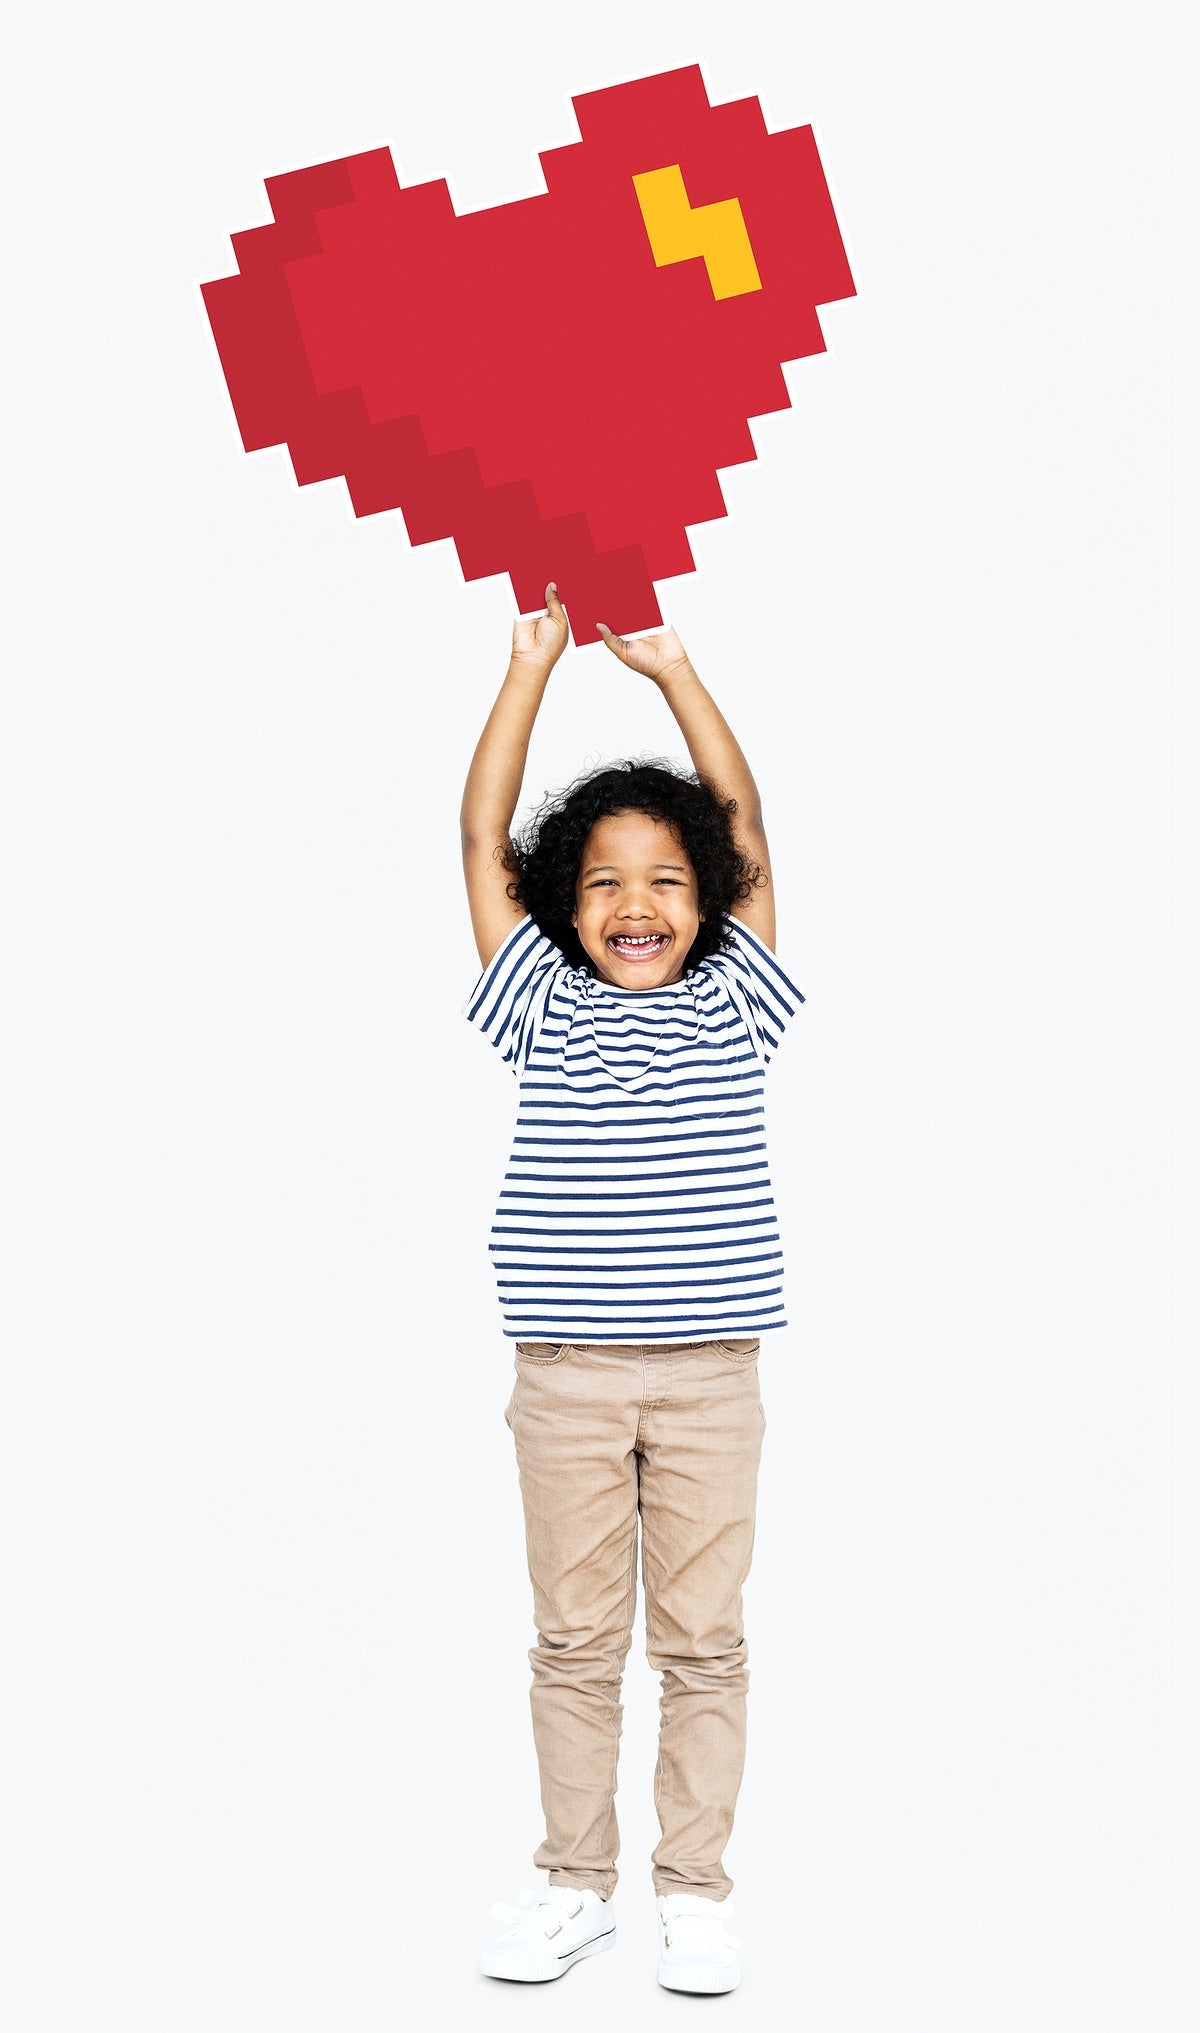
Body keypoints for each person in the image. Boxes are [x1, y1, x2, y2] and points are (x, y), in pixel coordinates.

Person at [460, 584, 804, 1993]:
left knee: (705, 1642)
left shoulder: (740, 997)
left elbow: (749, 820)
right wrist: (530, 669)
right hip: (566, 1380)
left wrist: (673, 670)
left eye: (666, 878)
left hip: (713, 1376)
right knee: (575, 1641)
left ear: (708, 898)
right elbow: (479, 839)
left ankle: (696, 1894)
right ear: (565, 905)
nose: (635, 903)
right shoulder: (539, 1002)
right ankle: (573, 1883)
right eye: (602, 881)